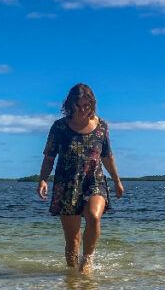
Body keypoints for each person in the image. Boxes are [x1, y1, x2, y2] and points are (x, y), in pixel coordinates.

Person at [37, 84, 124, 274]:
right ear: (70, 104)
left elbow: (107, 156)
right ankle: (72, 279)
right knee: (72, 240)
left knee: (93, 217)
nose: (83, 109)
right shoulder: (59, 127)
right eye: (79, 105)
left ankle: (87, 262)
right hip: (66, 184)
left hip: (94, 181)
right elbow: (49, 156)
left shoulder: (101, 126)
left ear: (92, 104)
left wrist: (117, 180)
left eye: (87, 105)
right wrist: (43, 179)